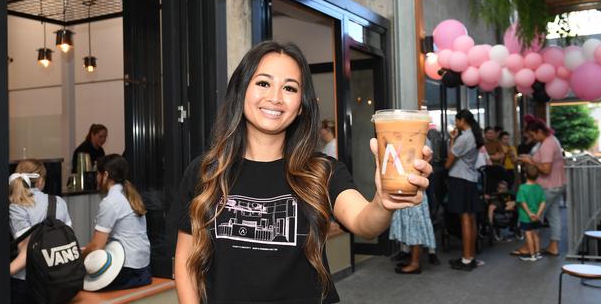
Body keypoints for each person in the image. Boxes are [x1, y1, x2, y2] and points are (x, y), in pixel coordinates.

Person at [173, 41, 432, 303]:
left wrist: (383, 202)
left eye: (289, 88)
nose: (275, 97)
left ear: (300, 105)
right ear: (241, 92)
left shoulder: (322, 171)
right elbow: (185, 263)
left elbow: (365, 223)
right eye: (263, 83)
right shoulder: (205, 172)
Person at [82, 154, 152, 290]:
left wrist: (78, 258)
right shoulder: (130, 195)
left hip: (127, 271)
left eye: (98, 174)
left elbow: (97, 245)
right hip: (144, 269)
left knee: (73, 284)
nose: (96, 178)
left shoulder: (111, 201)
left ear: (105, 175)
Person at [8, 159, 72, 304]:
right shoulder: (59, 202)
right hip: (56, 279)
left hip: (27, 282)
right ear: (41, 180)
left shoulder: (17, 207)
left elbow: (27, 252)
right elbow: (67, 239)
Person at [518, 120, 566, 257]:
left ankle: (530, 246)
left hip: (549, 186)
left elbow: (545, 169)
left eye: (533, 135)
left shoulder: (547, 145)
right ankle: (554, 246)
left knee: (534, 215)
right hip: (558, 184)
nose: (532, 139)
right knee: (554, 215)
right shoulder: (552, 140)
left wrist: (530, 161)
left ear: (539, 131)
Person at [445, 109, 484, 271]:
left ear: (462, 121)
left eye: (457, 120)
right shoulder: (473, 135)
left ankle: (466, 258)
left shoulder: (464, 138)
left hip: (460, 179)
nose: (456, 124)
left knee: (465, 219)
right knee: (471, 218)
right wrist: (453, 138)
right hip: (470, 178)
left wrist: (453, 140)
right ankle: (470, 256)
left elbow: (449, 162)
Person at [389, 194, 438, 274]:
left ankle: (415, 264)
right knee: (413, 227)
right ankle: (414, 261)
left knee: (415, 227)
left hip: (413, 195)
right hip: (413, 195)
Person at [516, 165, 546, 262]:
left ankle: (531, 255)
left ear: (525, 175)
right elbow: (543, 202)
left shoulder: (522, 188)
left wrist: (529, 214)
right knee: (535, 234)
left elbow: (522, 202)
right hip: (536, 217)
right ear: (537, 176)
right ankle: (538, 253)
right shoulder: (539, 188)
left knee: (528, 235)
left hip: (526, 217)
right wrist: (537, 214)